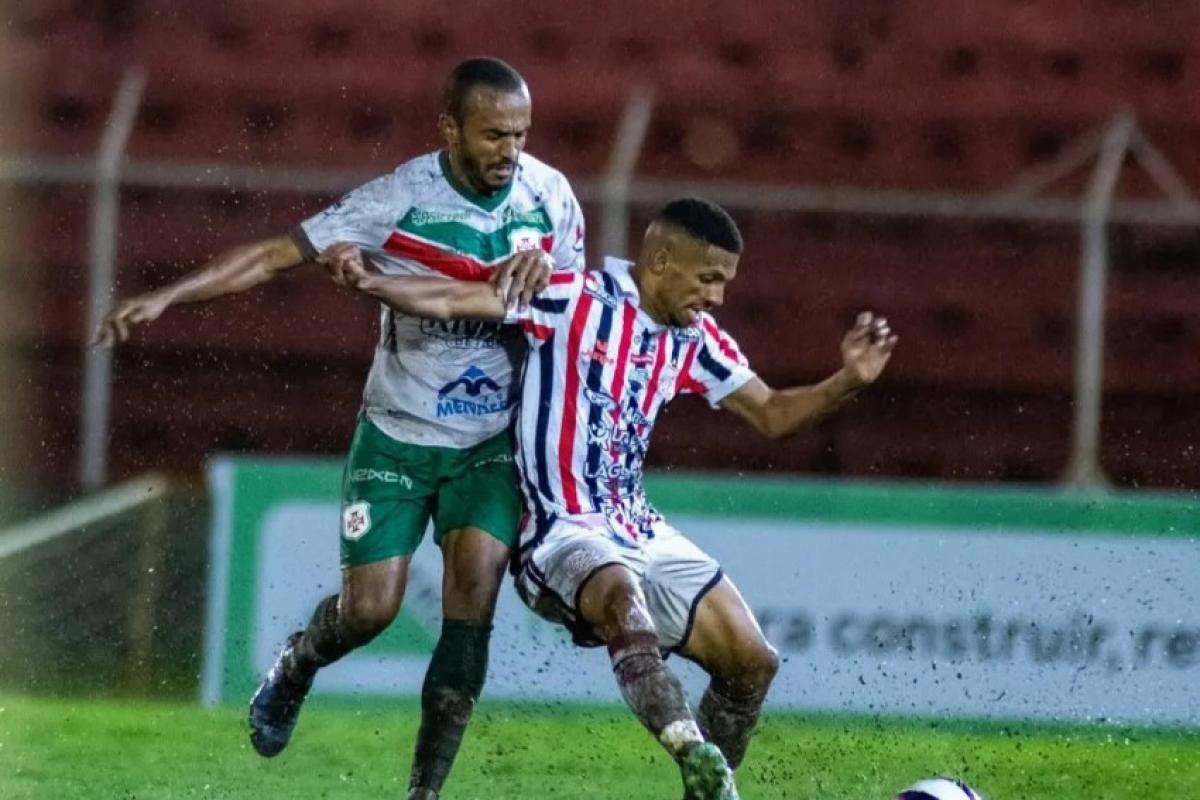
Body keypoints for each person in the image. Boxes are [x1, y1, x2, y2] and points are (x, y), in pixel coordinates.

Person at [93, 58, 586, 800]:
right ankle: (297, 665)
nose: (510, 151)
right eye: (493, 135)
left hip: (491, 442)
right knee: (371, 611)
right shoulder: (399, 198)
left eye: (520, 134)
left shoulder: (551, 197)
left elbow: (574, 306)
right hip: (397, 433)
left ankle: (424, 790)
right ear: (450, 130)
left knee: (472, 601)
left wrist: (544, 273)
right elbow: (274, 255)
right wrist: (168, 297)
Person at [318, 198, 897, 800]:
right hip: (559, 531)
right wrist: (370, 281)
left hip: (639, 527)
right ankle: (690, 749)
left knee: (753, 662)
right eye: (708, 279)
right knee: (622, 599)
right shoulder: (572, 299)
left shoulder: (696, 339)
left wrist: (848, 381)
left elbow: (773, 413)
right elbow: (453, 299)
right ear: (662, 260)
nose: (718, 297)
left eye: (724, 283)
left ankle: (707, 786)